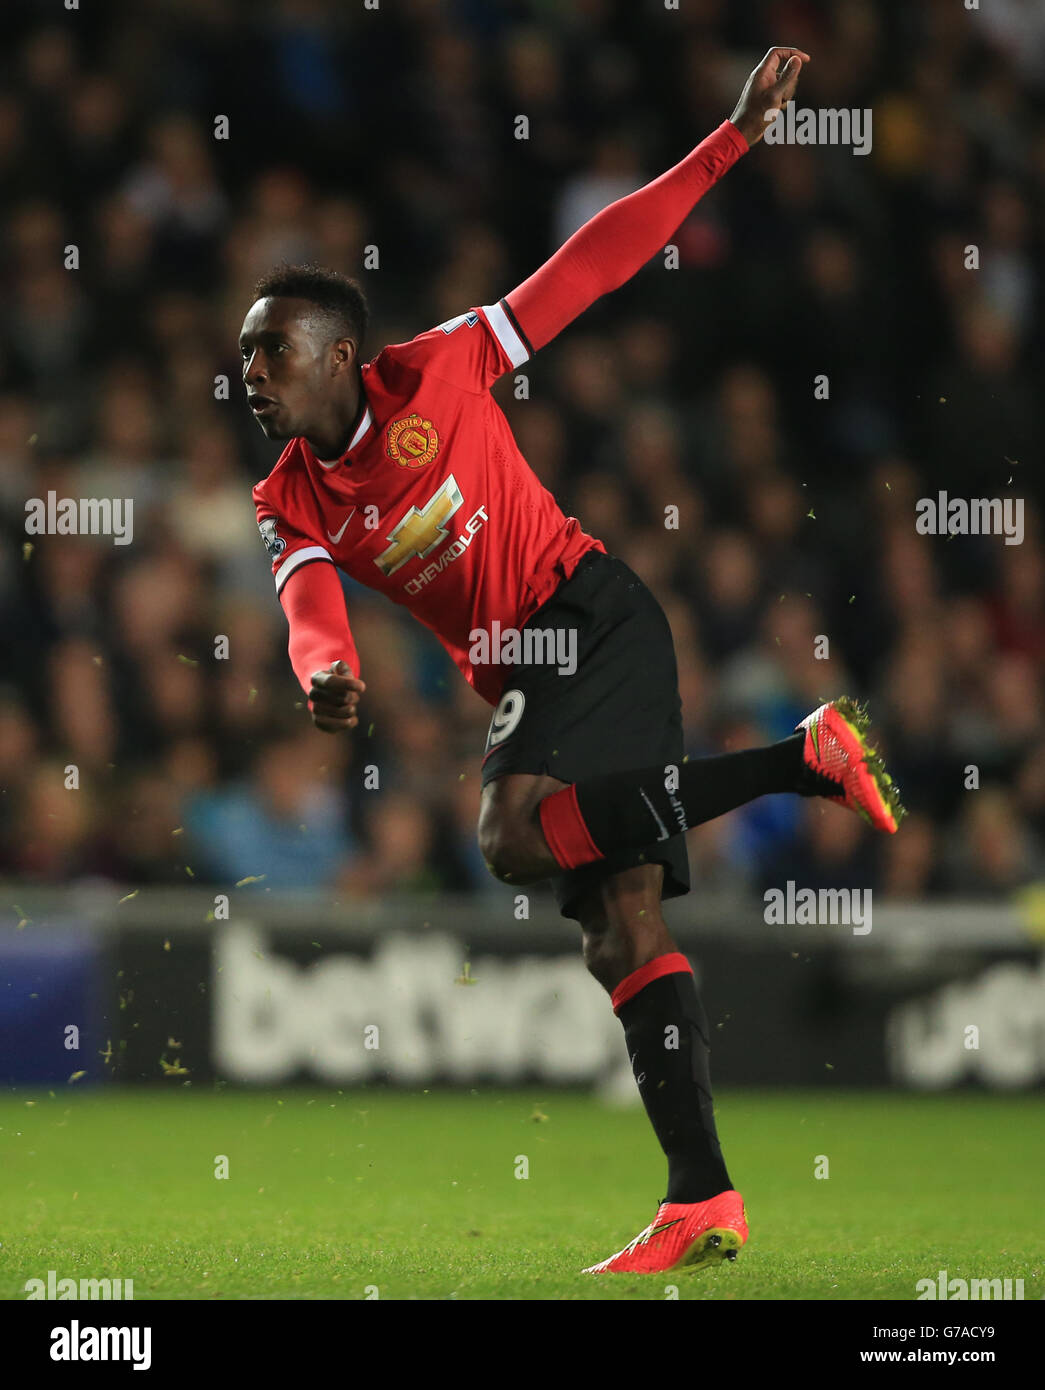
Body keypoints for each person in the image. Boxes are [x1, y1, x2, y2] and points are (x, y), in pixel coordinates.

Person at [242, 46, 903, 1274]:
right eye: (243, 363)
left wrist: (731, 140)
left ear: (338, 354)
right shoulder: (289, 497)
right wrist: (320, 674)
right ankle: (701, 1198)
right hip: (532, 665)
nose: (252, 380)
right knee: (618, 923)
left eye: (269, 355)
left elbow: (591, 261)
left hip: (588, 615)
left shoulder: (440, 366)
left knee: (504, 835)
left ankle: (792, 761)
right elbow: (311, 610)